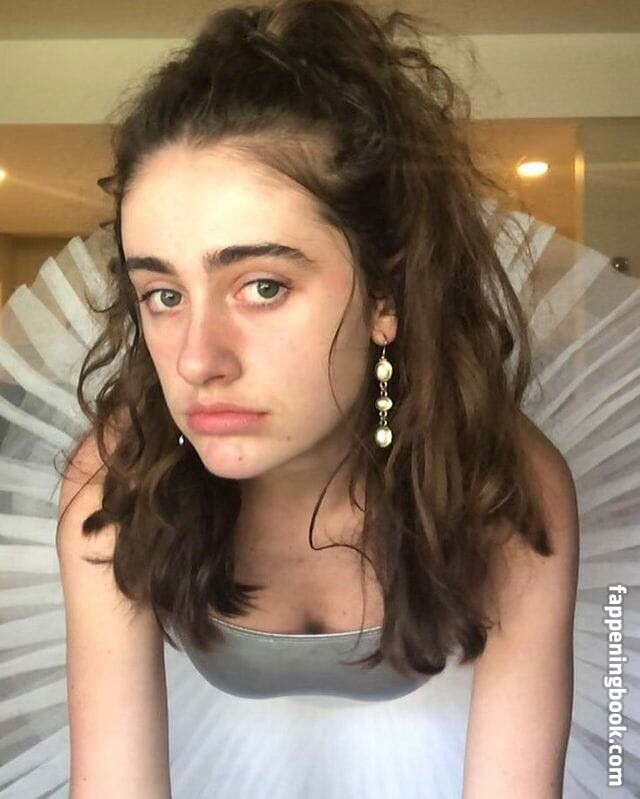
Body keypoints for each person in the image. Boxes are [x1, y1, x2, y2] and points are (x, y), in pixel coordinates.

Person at [0, 1, 638, 797]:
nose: (196, 360)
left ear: (385, 296)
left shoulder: (506, 484)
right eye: (163, 294)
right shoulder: (119, 479)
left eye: (263, 286)